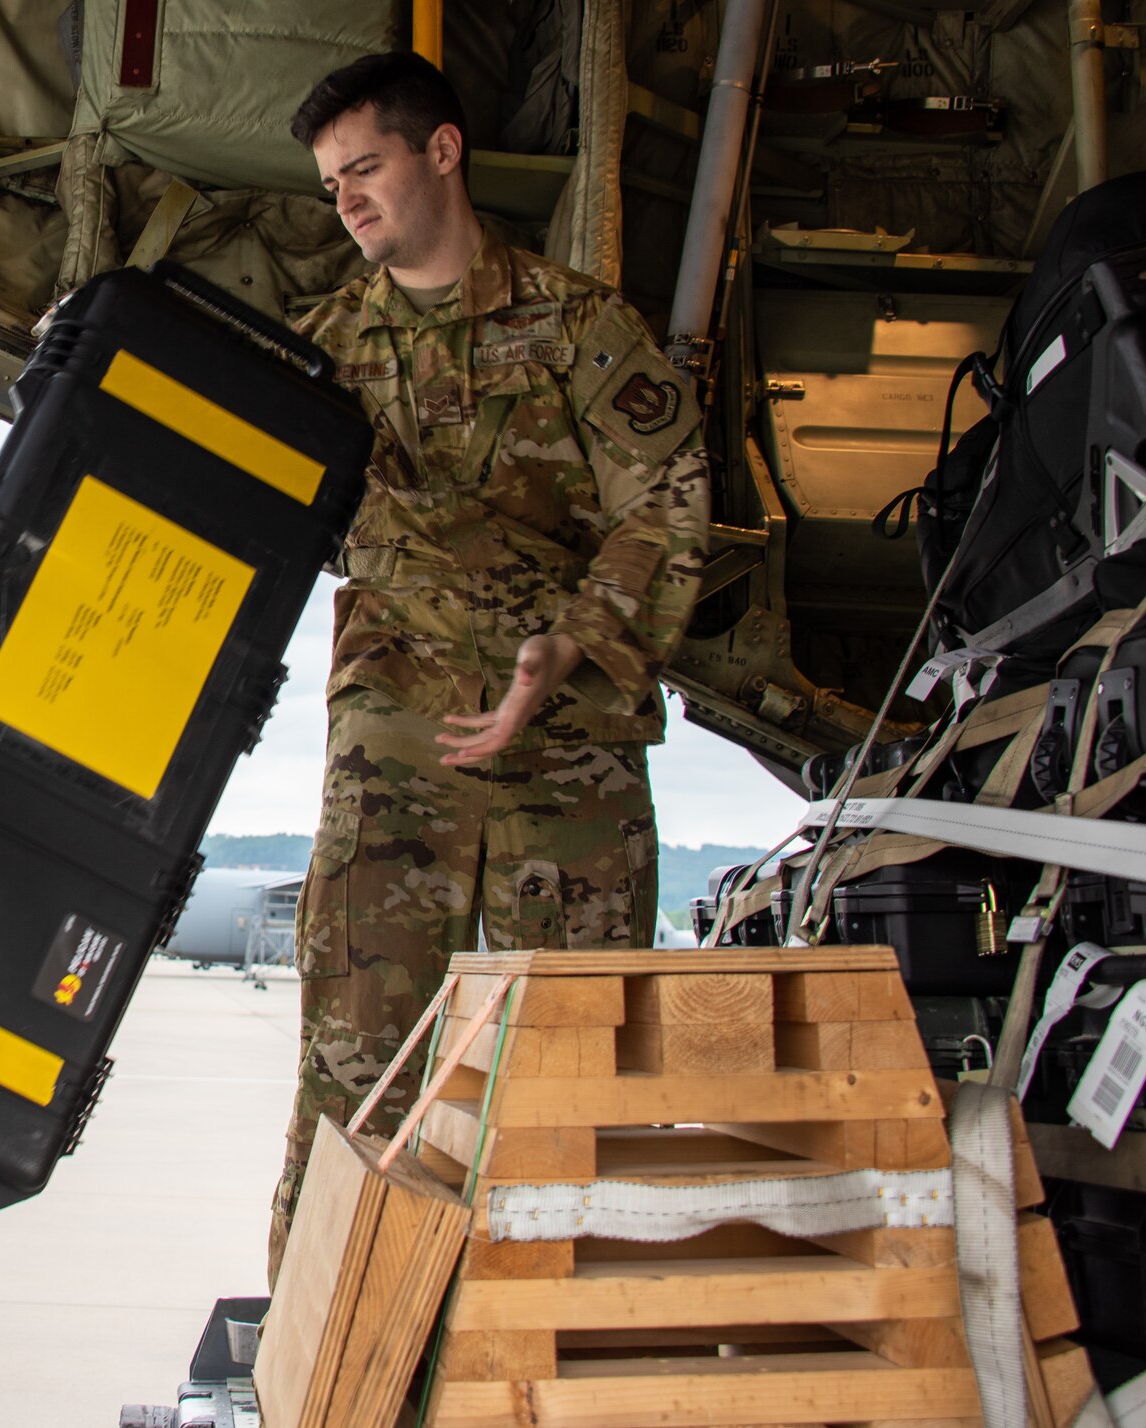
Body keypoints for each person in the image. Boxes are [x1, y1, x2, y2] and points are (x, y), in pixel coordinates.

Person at [269, 52, 710, 1278]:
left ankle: (556, 1357)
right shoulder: (317, 360)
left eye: (364, 168)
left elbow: (666, 501)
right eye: (329, 185)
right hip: (394, 749)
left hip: (567, 753)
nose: (346, 201)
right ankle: (331, 1357)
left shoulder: (580, 329)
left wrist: (565, 644)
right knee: (352, 1071)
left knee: (570, 1073)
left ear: (442, 152)